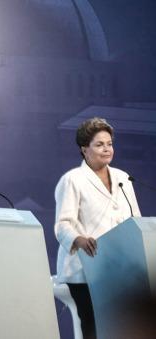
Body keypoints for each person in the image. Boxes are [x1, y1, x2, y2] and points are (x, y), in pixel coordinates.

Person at [54, 117, 141, 339]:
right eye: (99, 144)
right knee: (93, 328)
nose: (106, 149)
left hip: (117, 267)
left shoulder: (123, 178)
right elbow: (62, 224)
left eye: (109, 143)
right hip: (85, 268)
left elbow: (135, 219)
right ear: (84, 149)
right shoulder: (73, 180)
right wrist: (79, 239)